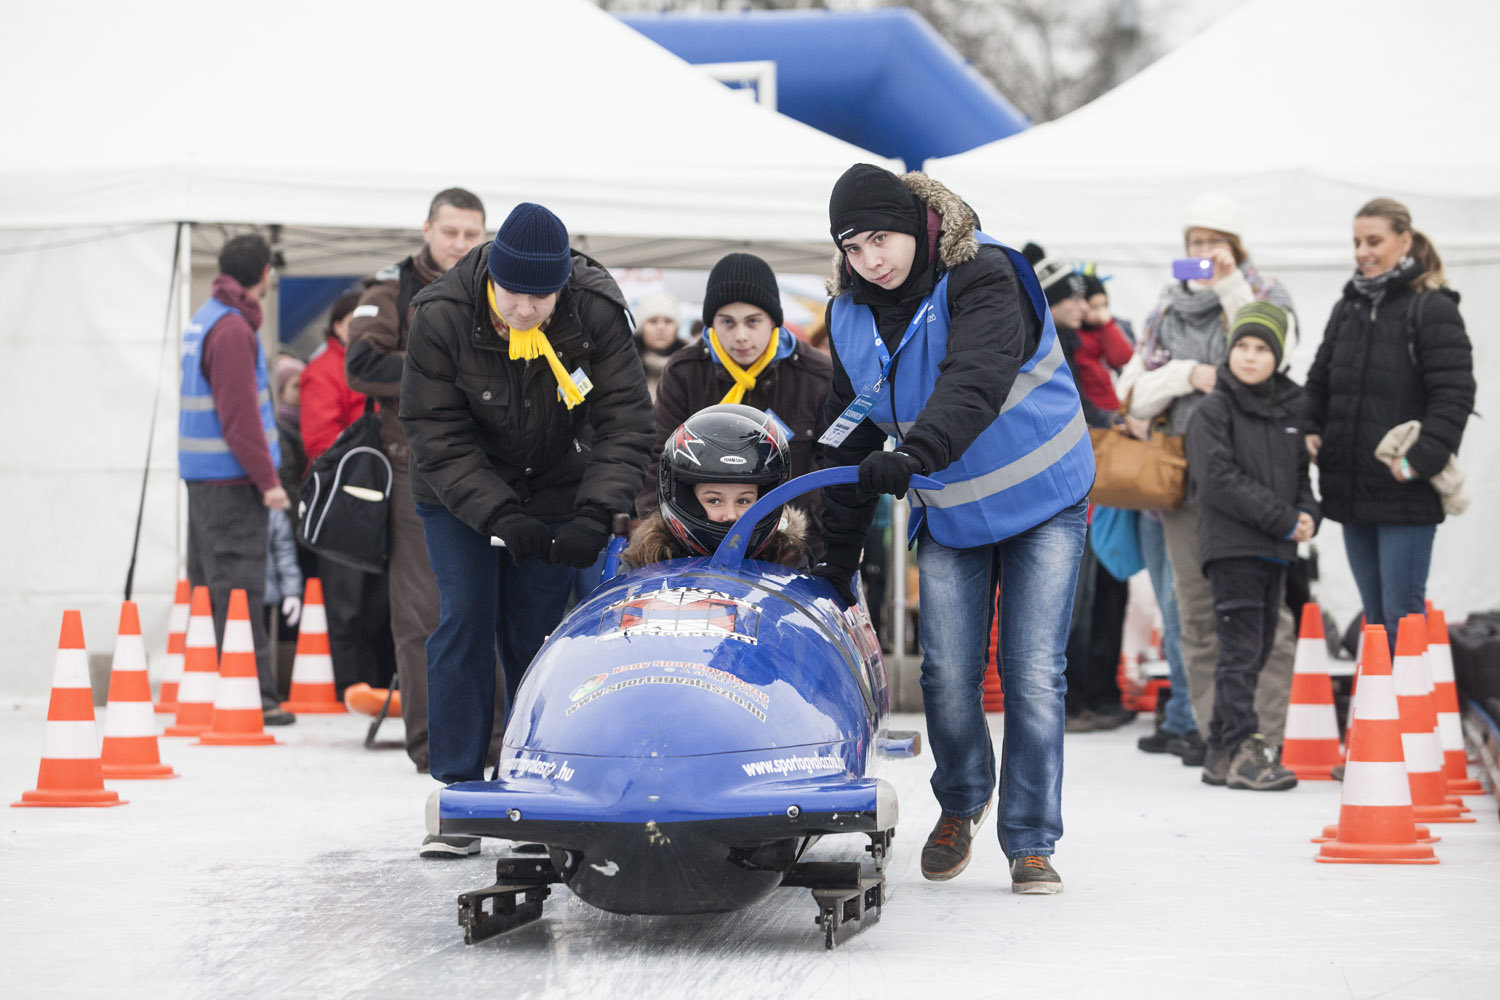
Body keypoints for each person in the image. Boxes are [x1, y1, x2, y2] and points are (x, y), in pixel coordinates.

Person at [816, 164, 1094, 894]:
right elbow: (844, 439)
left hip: (1042, 497)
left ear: (916, 225)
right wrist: (831, 566)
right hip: (954, 507)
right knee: (945, 675)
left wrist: (911, 455)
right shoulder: (847, 316)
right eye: (853, 246)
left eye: (882, 237)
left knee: (1033, 674)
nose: (872, 259)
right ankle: (963, 800)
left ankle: (1031, 839)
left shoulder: (984, 274)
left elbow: (976, 376)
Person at [401, 202, 654, 857]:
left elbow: (626, 420)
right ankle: (458, 787)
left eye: (543, 296)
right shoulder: (441, 315)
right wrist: (499, 515)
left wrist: (595, 514)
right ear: (493, 278)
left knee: (538, 634)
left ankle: (536, 783)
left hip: (555, 485)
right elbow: (437, 435)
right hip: (459, 492)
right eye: (516, 293)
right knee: (465, 616)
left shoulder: (592, 309)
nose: (528, 308)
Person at [1116, 193, 1298, 764]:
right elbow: (1131, 393)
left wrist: (1227, 286)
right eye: (1194, 243)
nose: (1202, 253)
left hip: (1254, 480)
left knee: (1267, 614)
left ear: (1237, 247)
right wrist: (1184, 373)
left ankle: (1262, 736)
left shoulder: (1265, 295)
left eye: (1214, 243)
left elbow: (1277, 358)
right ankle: (1217, 735)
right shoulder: (1166, 309)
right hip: (1183, 481)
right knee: (1192, 613)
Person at [345, 188, 488, 773]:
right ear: (427, 229)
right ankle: (433, 746)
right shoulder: (391, 288)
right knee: (424, 612)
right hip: (414, 468)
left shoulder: (499, 285)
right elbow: (360, 365)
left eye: (470, 234)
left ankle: (501, 740)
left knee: (491, 605)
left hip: (489, 469)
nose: (459, 244)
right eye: (449, 232)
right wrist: (447, 364)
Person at [1302, 198, 1475, 648]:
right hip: (1351, 489)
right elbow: (1318, 381)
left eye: (1374, 241)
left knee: (1402, 619)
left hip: (1405, 492)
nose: (1363, 251)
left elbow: (1455, 395)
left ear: (1405, 241)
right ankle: (1381, 717)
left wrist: (1417, 462)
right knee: (1375, 625)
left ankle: (1410, 719)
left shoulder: (1431, 308)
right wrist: (1310, 427)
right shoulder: (1349, 307)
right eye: (1357, 241)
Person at [1186, 303, 1318, 790]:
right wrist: (1285, 519)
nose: (1249, 356)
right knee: (1240, 652)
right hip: (1233, 548)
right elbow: (1218, 480)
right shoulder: (1213, 410)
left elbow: (1303, 478)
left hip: (1276, 550)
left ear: (1278, 356)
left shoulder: (1290, 411)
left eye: (1262, 348)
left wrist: (1308, 517)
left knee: (1258, 651)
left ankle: (1221, 752)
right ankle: (1243, 748)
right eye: (1242, 345)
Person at [639, 253, 831, 555]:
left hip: (795, 545)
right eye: (727, 322)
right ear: (711, 323)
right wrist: (658, 540)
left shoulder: (816, 375)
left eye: (752, 321)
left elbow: (830, 466)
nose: (741, 336)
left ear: (773, 321)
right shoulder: (685, 371)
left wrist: (802, 539)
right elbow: (658, 459)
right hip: (696, 544)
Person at [178, 234, 294, 726]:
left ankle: (219, 689)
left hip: (205, 479)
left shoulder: (206, 317)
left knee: (212, 586)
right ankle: (254, 697)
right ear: (265, 273)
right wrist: (269, 481)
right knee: (239, 589)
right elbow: (240, 417)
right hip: (231, 482)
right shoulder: (232, 330)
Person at [1035, 258, 1131, 732]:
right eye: (1070, 297)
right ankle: (1075, 701)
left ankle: (1096, 695)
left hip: (1100, 478)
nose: (1081, 306)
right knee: (1077, 597)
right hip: (1071, 485)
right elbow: (1073, 403)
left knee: (1103, 592)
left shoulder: (1082, 340)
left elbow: (1124, 358)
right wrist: (1107, 419)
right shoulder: (1045, 346)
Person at [301, 290, 397, 696]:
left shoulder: (377, 366)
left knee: (379, 603)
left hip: (384, 494)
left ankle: (377, 686)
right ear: (340, 325)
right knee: (347, 604)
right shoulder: (323, 371)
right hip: (345, 503)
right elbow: (320, 440)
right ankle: (349, 687)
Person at [624, 405, 811, 569]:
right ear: (685, 497)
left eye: (744, 500)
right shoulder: (645, 558)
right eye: (714, 500)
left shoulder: (790, 557)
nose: (730, 514)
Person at [632, 290, 684, 401]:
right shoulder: (625, 366)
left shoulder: (691, 367)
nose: (661, 327)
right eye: (653, 321)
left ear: (676, 328)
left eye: (668, 321)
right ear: (641, 327)